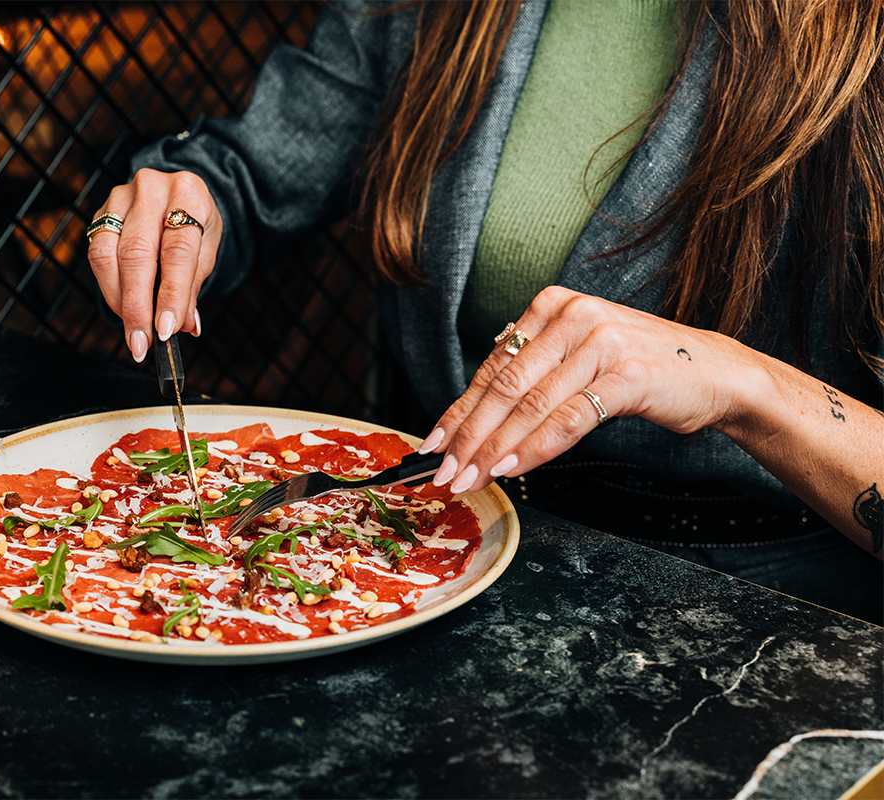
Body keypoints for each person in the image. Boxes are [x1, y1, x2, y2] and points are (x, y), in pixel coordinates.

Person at [87, 0, 883, 622]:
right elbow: (250, 171)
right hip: (411, 563)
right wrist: (184, 206)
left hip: (756, 626)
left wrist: (736, 380)